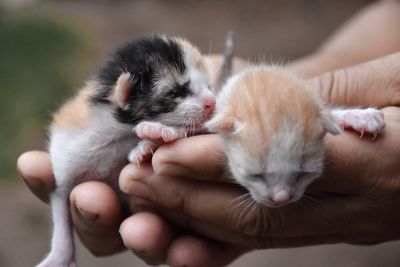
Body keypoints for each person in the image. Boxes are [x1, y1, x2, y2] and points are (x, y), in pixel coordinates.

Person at [17, 1, 400, 266]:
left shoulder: (177, 118)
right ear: (124, 98)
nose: (209, 101)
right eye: (179, 92)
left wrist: (309, 104)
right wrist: (303, 96)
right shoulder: (84, 139)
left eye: (204, 85)